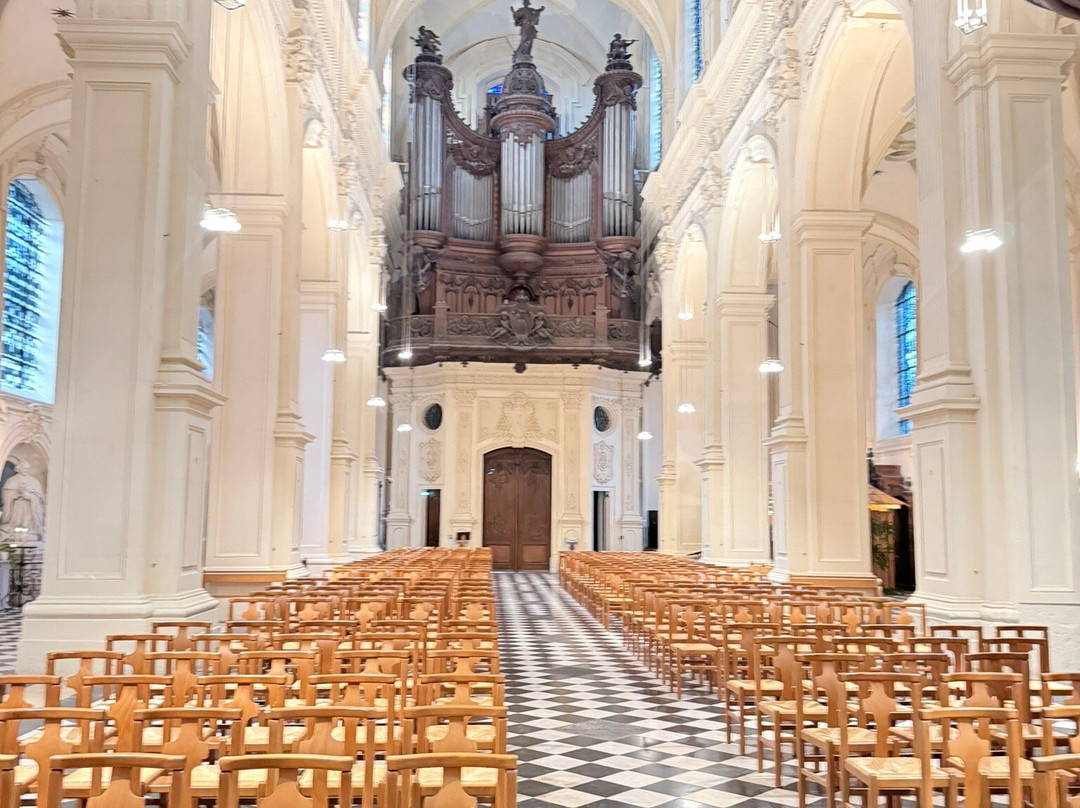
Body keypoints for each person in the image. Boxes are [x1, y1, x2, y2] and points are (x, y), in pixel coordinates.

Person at [0, 461, 45, 542]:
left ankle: (29, 531)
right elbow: (6, 494)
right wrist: (14, 495)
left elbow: (40, 497)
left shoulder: (34, 481)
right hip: (17, 507)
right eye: (24, 468)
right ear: (18, 469)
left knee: (30, 532)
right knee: (12, 529)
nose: (26, 470)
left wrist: (30, 496)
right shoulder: (11, 480)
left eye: (27, 468)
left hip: (29, 509)